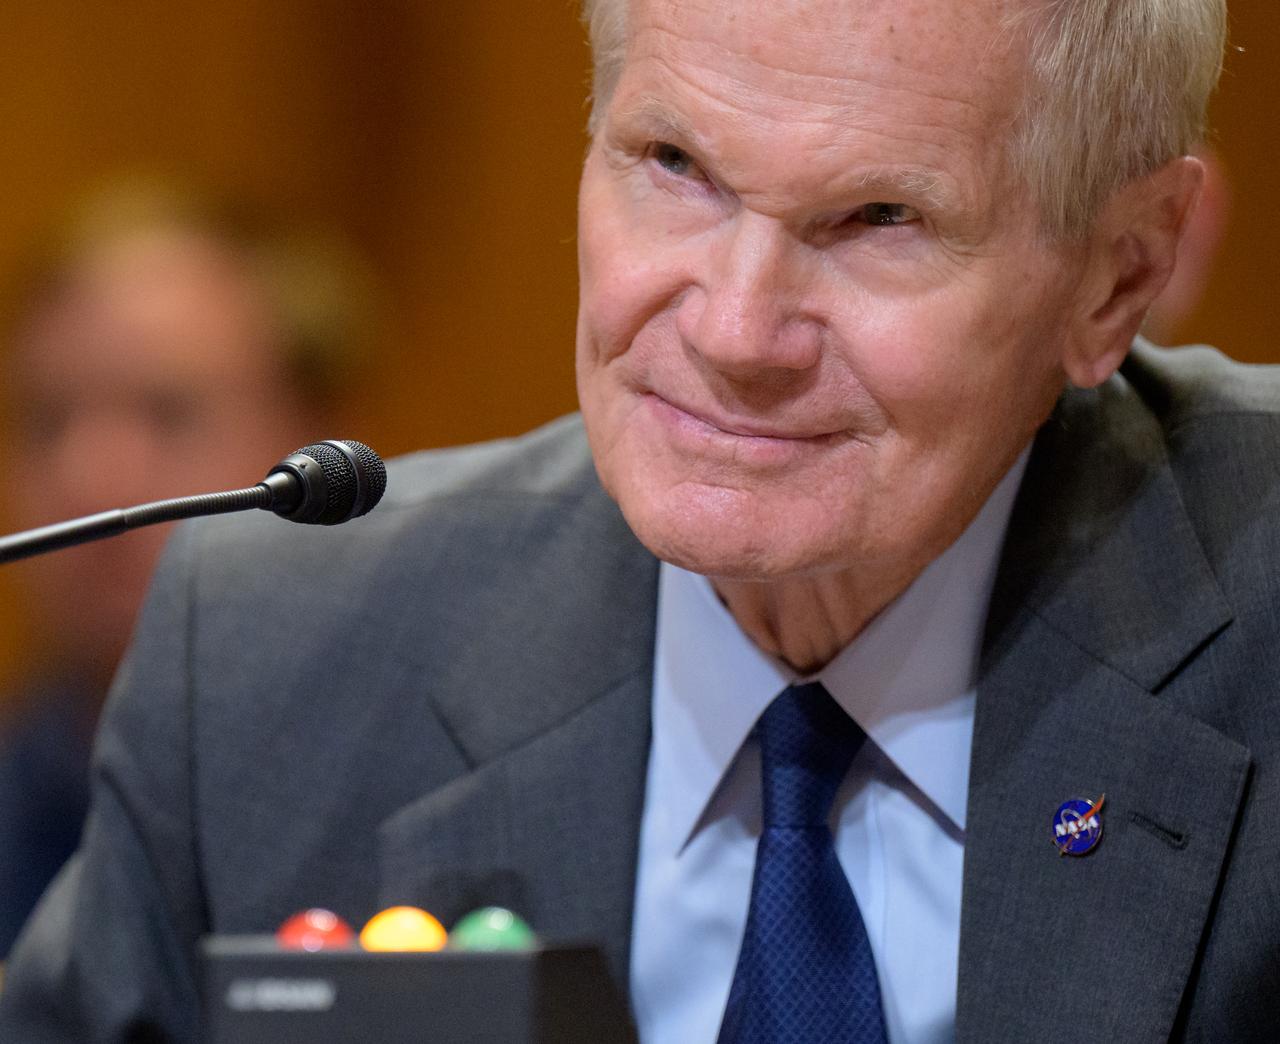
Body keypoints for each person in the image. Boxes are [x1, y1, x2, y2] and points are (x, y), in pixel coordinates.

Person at [3, 0, 1277, 1040]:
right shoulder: (271, 656)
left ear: (1117, 274)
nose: (732, 332)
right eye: (675, 168)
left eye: (879, 219)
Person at [0, 179, 373, 958]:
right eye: (46, 419)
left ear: (323, 446)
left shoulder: (428, 798)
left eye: (169, 412)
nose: (90, 477)